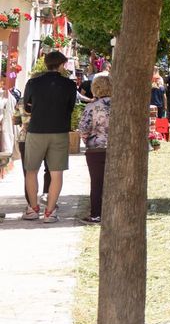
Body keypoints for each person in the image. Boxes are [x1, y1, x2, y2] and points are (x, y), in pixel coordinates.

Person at [21, 51, 77, 222]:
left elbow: (27, 107)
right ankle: (50, 212)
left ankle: (33, 209)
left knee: (31, 171)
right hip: (59, 131)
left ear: (46, 64)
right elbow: (71, 107)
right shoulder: (69, 84)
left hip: (36, 130)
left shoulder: (33, 82)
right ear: (61, 64)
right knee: (56, 173)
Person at [78, 73, 111, 223]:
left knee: (97, 182)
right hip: (116, 148)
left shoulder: (91, 107)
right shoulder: (121, 105)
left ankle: (96, 213)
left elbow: (84, 129)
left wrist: (87, 141)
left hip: (96, 149)